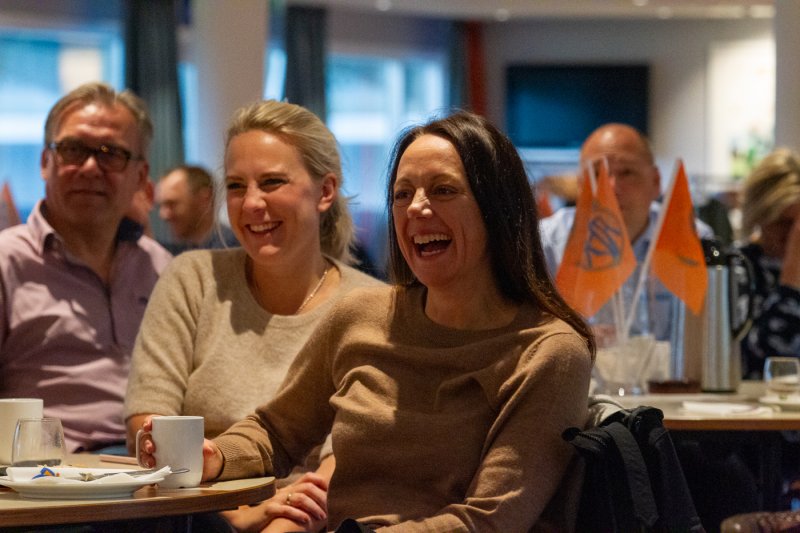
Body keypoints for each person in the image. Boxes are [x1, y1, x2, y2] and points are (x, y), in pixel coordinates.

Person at [140, 111, 595, 531]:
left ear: (497, 208)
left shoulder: (550, 352)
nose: (416, 208)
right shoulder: (363, 315)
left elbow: (488, 522)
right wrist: (218, 456)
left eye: (443, 189)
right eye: (402, 193)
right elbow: (277, 432)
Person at [125, 99, 383, 531]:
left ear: (325, 191)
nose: (251, 204)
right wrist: (232, 517)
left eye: (272, 182)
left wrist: (272, 517)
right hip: (190, 514)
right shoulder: (192, 278)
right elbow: (150, 424)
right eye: (237, 186)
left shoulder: (373, 305)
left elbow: (345, 461)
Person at [0, 82, 172, 453]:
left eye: (111, 154)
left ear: (140, 178)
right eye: (73, 149)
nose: (91, 167)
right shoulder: (7, 263)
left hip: (156, 471)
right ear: (46, 163)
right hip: (51, 481)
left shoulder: (161, 268)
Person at [540, 123, 714, 343]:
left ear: (656, 182)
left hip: (667, 377)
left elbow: (708, 335)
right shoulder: (546, 243)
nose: (611, 187)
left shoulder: (693, 240)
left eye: (626, 173)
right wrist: (568, 337)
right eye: (597, 174)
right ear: (581, 185)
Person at [738, 148, 800, 378]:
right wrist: (791, 279)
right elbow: (762, 362)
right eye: (784, 223)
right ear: (760, 217)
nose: (794, 235)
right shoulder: (738, 268)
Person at [156, 164, 237, 254]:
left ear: (204, 199)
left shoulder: (232, 248)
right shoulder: (179, 251)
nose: (163, 215)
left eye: (172, 204)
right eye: (161, 205)